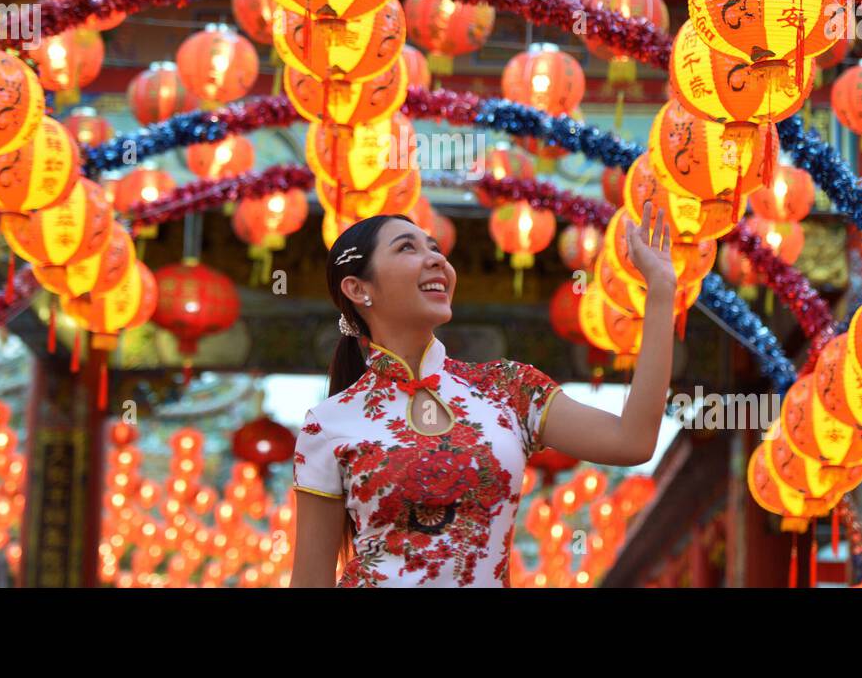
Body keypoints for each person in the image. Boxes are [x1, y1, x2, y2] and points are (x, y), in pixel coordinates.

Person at [289, 202, 677, 587]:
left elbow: (632, 441)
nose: (436, 260)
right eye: (407, 248)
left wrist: (660, 292)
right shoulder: (329, 424)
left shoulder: (509, 389)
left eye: (435, 249)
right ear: (358, 289)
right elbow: (310, 580)